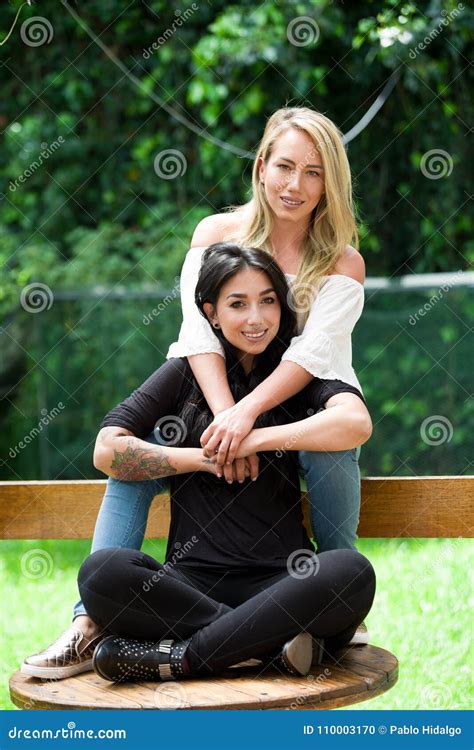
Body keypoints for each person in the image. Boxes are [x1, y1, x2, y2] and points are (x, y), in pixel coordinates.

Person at [21, 106, 369, 679]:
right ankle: (93, 622)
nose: (296, 185)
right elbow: (193, 336)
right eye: (285, 166)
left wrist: (251, 425)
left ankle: (191, 651)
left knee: (343, 548)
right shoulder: (215, 236)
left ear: (330, 182)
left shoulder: (340, 262)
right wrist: (222, 429)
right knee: (125, 502)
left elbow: (311, 359)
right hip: (214, 421)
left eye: (314, 172)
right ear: (261, 166)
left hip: (300, 408)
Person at [72, 244, 374, 682]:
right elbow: (107, 450)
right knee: (102, 572)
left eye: (268, 301)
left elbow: (355, 422)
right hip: (189, 586)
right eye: (238, 304)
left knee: (351, 572)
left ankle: (184, 657)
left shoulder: (297, 370)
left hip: (283, 581)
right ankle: (263, 647)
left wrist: (252, 437)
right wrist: (205, 458)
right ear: (211, 314)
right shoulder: (185, 373)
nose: (256, 318)